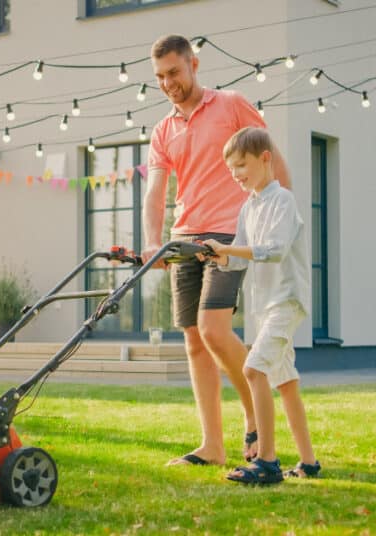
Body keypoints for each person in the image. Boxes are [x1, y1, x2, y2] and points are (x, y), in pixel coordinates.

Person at [142, 34, 291, 466]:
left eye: (174, 72)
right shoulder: (163, 130)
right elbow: (155, 192)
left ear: (194, 64)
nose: (168, 82)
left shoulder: (231, 105)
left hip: (230, 234)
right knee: (194, 341)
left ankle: (254, 416)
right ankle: (212, 445)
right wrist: (154, 241)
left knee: (214, 330)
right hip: (184, 237)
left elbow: (272, 159)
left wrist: (284, 214)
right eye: (160, 77)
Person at [202, 127, 319, 484]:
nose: (236, 174)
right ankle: (309, 463)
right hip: (265, 306)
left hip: (286, 300)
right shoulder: (248, 206)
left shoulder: (282, 201)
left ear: (264, 158)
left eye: (241, 165)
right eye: (231, 169)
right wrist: (215, 257)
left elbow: (273, 250)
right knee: (286, 384)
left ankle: (267, 462)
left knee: (253, 370)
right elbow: (239, 259)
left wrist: (228, 250)